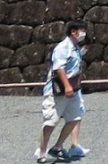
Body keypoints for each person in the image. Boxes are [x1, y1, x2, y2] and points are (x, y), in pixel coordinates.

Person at [36, 21, 88, 161]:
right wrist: (67, 86)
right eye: (81, 31)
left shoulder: (75, 48)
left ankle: (57, 147)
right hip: (58, 89)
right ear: (73, 32)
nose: (83, 34)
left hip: (73, 88)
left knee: (75, 117)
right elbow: (59, 68)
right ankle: (42, 152)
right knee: (51, 121)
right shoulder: (63, 48)